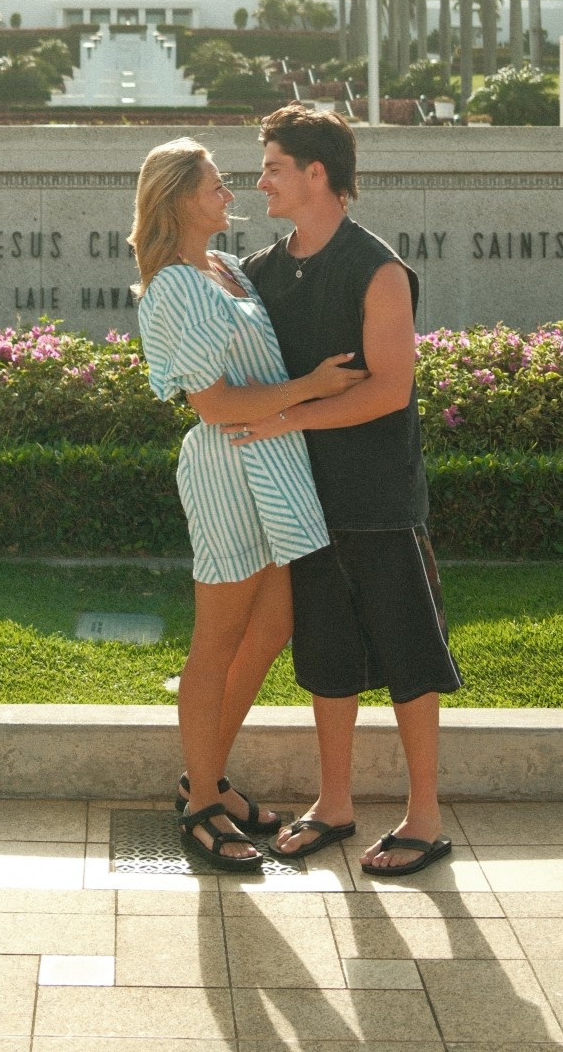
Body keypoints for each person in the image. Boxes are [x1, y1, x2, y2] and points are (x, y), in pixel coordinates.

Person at [233, 103, 463, 877]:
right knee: (327, 657)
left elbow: (389, 391)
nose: (259, 181)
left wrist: (288, 418)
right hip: (303, 505)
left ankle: (424, 819)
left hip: (379, 501)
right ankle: (334, 805)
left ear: (316, 173)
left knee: (407, 654)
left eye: (272, 166)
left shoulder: (379, 269)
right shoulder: (261, 272)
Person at [131, 137, 368, 871]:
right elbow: (214, 403)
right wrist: (311, 389)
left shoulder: (228, 269)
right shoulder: (174, 285)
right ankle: (202, 805)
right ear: (175, 198)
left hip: (275, 462)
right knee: (218, 639)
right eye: (213, 186)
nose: (229, 194)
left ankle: (204, 778)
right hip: (229, 467)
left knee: (270, 627)